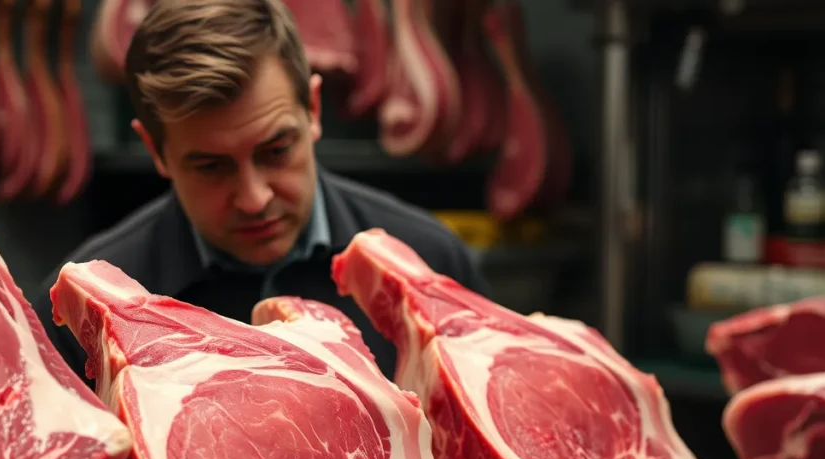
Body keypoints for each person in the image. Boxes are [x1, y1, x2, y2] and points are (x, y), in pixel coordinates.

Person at [31, 0, 490, 382]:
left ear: (312, 109)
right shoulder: (79, 313)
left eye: (275, 151)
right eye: (211, 167)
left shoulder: (434, 264)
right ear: (156, 151)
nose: (254, 199)